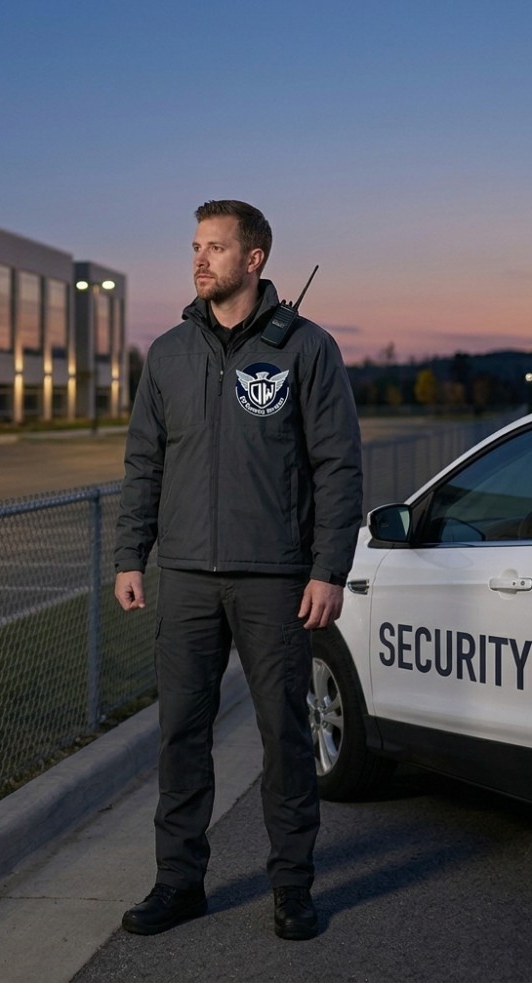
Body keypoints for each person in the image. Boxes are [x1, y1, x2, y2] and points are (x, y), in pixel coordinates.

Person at [113, 199, 362, 942]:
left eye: (215, 247)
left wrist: (328, 569)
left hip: (276, 576)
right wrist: (132, 553)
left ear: (253, 259)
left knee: (284, 735)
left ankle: (292, 887)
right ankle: (180, 882)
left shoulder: (306, 349)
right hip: (187, 575)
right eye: (195, 245)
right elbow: (143, 464)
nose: (199, 259)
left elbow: (338, 466)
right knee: (179, 734)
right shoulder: (169, 353)